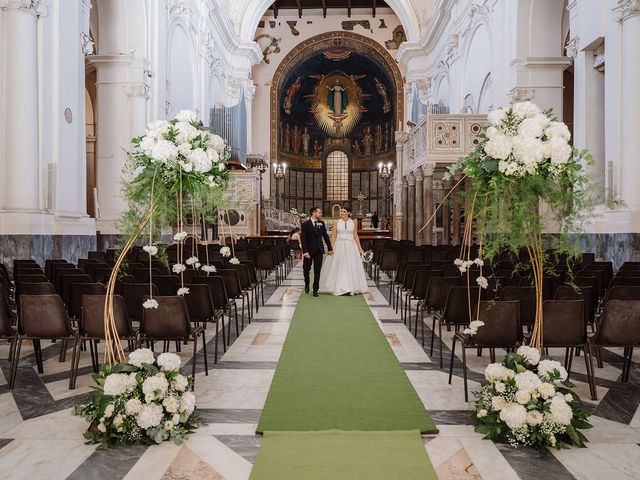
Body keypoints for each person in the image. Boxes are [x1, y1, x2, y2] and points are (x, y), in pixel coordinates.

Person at [319, 207, 369, 296]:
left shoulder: (353, 222)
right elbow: (333, 236)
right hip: (339, 246)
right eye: (341, 211)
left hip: (351, 246)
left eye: (344, 211)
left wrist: (360, 248)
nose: (342, 213)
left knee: (351, 265)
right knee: (339, 265)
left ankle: (351, 287)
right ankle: (339, 286)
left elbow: (355, 235)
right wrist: (331, 248)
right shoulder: (336, 222)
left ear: (349, 213)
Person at [301, 207, 333, 297]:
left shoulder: (321, 223)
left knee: (317, 271)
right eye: (319, 212)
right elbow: (303, 239)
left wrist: (330, 248)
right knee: (306, 269)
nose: (320, 214)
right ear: (314, 213)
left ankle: (315, 289)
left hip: (319, 250)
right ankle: (307, 283)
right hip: (309, 251)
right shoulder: (305, 224)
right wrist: (305, 251)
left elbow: (326, 236)